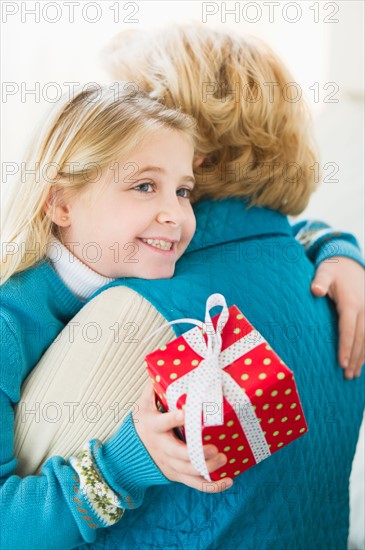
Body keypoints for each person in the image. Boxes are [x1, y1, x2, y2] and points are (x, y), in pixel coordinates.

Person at [2, 26, 364, 550]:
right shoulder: (16, 319)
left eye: (184, 190)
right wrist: (118, 469)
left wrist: (337, 246)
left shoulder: (150, 267)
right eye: (144, 184)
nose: (172, 213)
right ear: (61, 202)